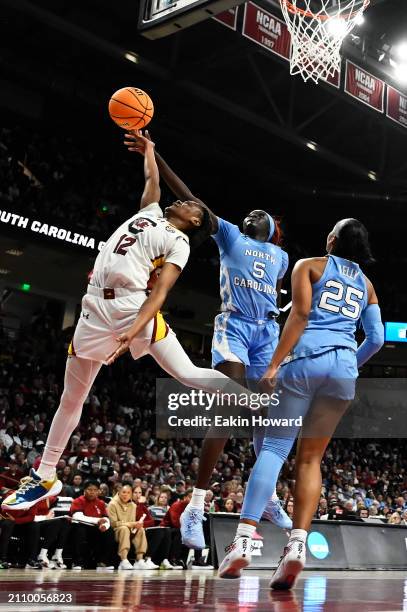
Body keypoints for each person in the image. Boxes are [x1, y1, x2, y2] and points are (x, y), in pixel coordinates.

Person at [2, 131, 254, 513]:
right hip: (93, 308)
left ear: (194, 223)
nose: (185, 201)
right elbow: (152, 180)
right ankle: (46, 474)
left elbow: (160, 293)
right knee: (72, 397)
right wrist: (149, 151)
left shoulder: (180, 243)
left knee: (186, 372)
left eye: (193, 207)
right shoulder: (151, 213)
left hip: (129, 308)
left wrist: (134, 330)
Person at [127, 131, 292, 549]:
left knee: (266, 417)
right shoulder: (231, 234)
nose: (252, 213)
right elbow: (191, 197)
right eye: (251, 211)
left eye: (261, 213)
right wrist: (155, 153)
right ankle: (196, 506)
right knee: (229, 407)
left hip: (267, 333)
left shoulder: (281, 256)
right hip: (235, 327)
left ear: (271, 230)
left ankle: (267, 496)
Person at [218, 218, 384, 586]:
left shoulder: (308, 266)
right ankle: (296, 547)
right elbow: (376, 337)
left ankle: (242, 543)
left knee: (274, 450)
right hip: (342, 368)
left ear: (331, 239)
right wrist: (346, 365)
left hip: (304, 362)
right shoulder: (367, 285)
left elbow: (301, 314)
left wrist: (274, 363)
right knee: (311, 459)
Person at [108, 483, 158, 570]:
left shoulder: (133, 505)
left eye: (128, 493)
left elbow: (134, 522)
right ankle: (123, 560)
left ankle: (139, 560)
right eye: (123, 492)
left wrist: (137, 524)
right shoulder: (112, 504)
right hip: (115, 531)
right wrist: (131, 524)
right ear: (119, 493)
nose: (125, 495)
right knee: (124, 529)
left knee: (141, 529)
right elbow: (113, 523)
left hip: (129, 530)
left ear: (131, 495)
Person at [69, 480, 115, 570]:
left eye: (95, 490)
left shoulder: (101, 503)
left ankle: (102, 561)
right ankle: (77, 562)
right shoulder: (78, 501)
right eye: (89, 490)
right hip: (81, 527)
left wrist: (104, 525)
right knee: (79, 529)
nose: (92, 492)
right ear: (84, 490)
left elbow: (105, 518)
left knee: (109, 532)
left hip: (95, 529)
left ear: (98, 491)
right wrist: (98, 520)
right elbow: (78, 517)